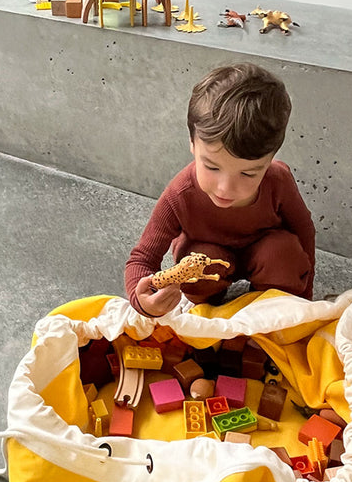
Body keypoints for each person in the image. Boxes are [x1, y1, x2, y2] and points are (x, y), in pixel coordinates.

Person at [125, 62, 315, 317]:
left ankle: (272, 305)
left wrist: (305, 301)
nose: (226, 188)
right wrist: (143, 302)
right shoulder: (180, 195)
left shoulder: (278, 182)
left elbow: (304, 234)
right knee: (198, 258)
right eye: (212, 167)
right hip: (206, 260)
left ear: (270, 159)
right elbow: (142, 258)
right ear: (192, 143)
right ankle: (208, 306)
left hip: (264, 254)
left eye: (248, 173)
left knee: (283, 252)